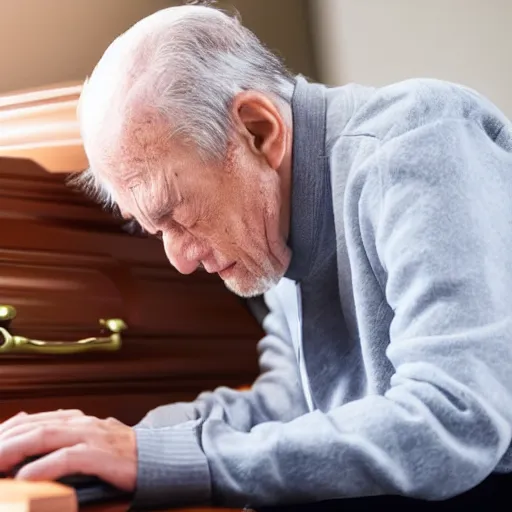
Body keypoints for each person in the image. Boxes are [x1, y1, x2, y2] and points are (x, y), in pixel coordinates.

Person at [1, 3, 512, 511]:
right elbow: (290, 405)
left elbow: (455, 417)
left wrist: (160, 457)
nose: (178, 259)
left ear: (257, 130)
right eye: (154, 229)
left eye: (177, 213)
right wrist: (113, 442)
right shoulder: (273, 220)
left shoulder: (419, 142)